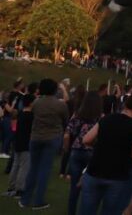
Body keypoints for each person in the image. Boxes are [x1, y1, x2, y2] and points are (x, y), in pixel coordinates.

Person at [78, 91, 132, 215]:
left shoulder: (107, 119)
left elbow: (86, 139)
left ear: (125, 105)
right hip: (117, 176)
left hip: (95, 171)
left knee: (86, 210)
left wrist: (100, 146)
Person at [20, 77, 69, 209]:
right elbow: (65, 119)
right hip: (52, 138)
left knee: (33, 168)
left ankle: (25, 199)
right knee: (44, 170)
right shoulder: (60, 105)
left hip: (36, 137)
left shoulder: (36, 103)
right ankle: (38, 201)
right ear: (54, 90)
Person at [66, 90, 103, 215]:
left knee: (74, 187)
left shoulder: (77, 115)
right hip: (92, 152)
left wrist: (67, 148)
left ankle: (71, 212)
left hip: (76, 150)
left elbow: (69, 132)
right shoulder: (100, 118)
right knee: (89, 188)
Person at [4, 85, 33, 197]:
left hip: (17, 141)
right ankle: (19, 189)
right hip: (25, 143)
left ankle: (11, 187)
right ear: (31, 103)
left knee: (16, 165)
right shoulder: (31, 116)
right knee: (23, 167)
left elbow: (14, 127)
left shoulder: (20, 114)